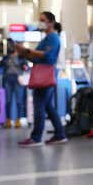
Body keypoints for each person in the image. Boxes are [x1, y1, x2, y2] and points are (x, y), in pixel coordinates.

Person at [15, 11, 67, 147]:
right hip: (44, 72)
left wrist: (27, 50)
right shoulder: (47, 38)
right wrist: (24, 53)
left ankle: (36, 137)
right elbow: (37, 57)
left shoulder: (53, 38)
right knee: (48, 106)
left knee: (39, 105)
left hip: (45, 73)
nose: (40, 23)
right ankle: (60, 134)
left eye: (42, 20)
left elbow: (48, 56)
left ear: (51, 22)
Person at [0, 40, 28, 128]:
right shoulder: (6, 57)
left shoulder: (22, 57)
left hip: (18, 79)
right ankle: (8, 120)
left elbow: (25, 67)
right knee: (7, 101)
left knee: (19, 101)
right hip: (8, 79)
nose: (12, 47)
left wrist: (24, 66)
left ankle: (18, 120)